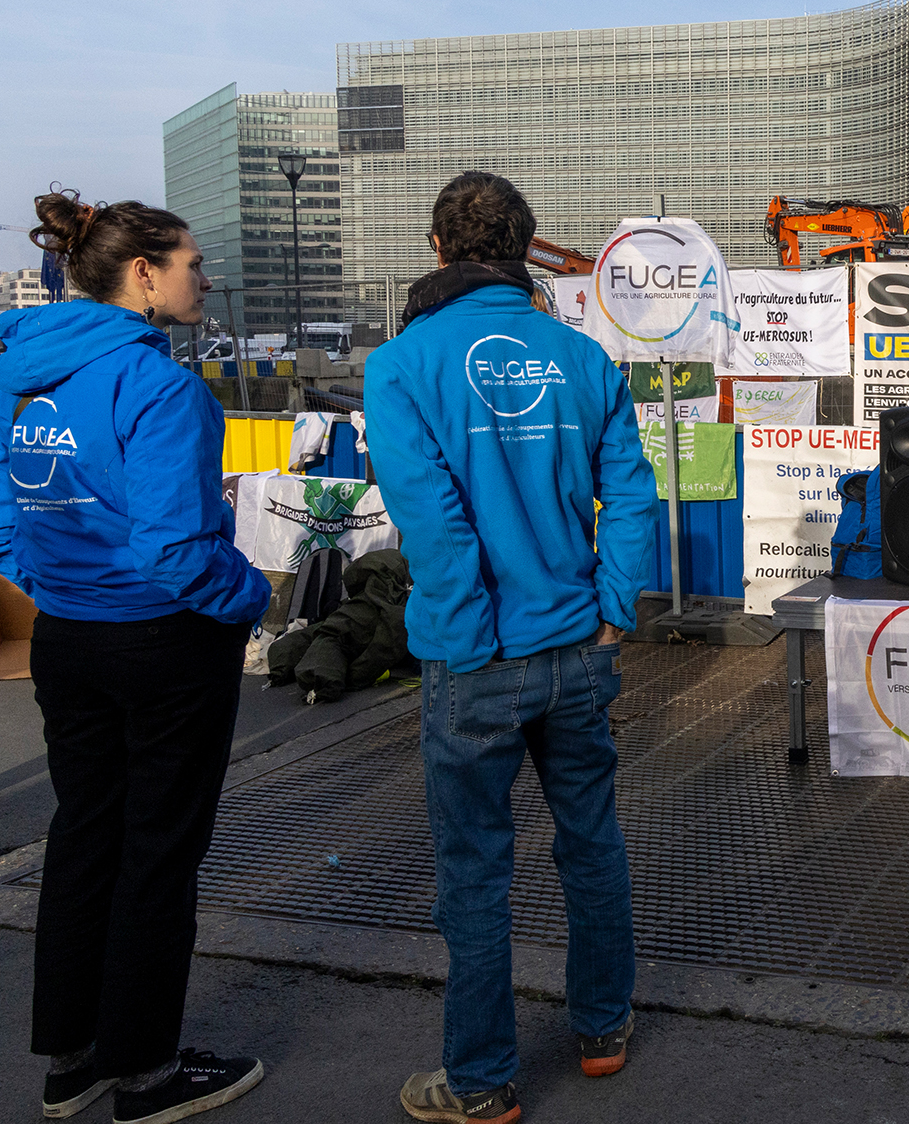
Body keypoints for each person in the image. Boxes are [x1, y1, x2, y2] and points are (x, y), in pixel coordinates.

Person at [0, 191, 272, 1124]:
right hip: (164, 641)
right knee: (158, 851)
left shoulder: (12, 379)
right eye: (192, 262)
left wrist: (63, 587)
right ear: (143, 273)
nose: (205, 279)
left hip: (69, 642)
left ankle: (73, 1060)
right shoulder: (162, 386)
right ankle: (146, 1072)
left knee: (85, 836)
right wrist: (249, 598)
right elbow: (177, 552)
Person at [365, 171, 659, 1124]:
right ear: (528, 251)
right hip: (579, 645)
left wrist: (472, 633)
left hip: (476, 658)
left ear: (439, 250)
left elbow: (435, 524)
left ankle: (484, 1082)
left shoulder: (403, 363)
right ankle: (603, 1031)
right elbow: (633, 499)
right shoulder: (582, 357)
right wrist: (613, 607)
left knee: (476, 874)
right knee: (591, 842)